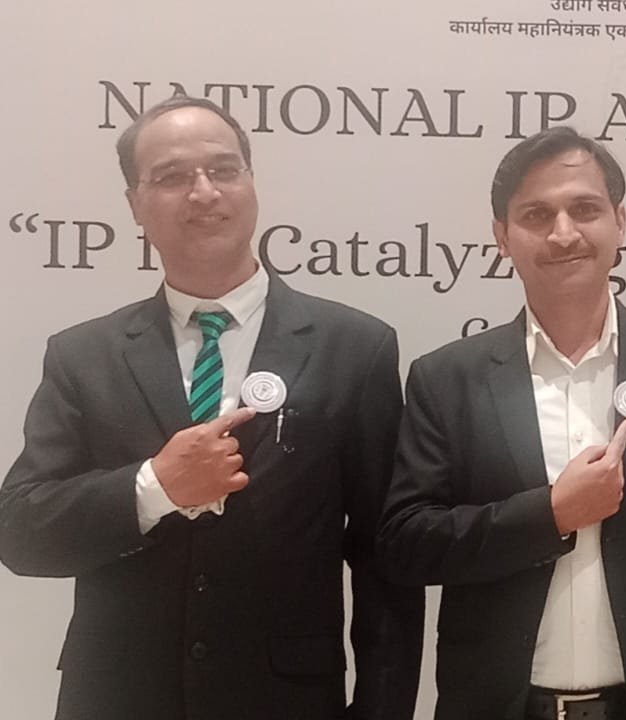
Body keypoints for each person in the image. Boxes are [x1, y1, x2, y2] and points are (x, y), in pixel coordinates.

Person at [0, 95, 423, 720]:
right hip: (118, 699)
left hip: (286, 702)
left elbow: (383, 556)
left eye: (223, 170)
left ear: (251, 182)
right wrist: (154, 487)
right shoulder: (82, 356)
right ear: (135, 204)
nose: (203, 192)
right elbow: (20, 532)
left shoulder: (354, 348)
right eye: (172, 177)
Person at [379, 126, 626, 720]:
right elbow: (407, 545)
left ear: (620, 222)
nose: (563, 233)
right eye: (536, 215)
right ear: (502, 237)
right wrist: (551, 514)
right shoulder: (447, 378)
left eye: (584, 209)